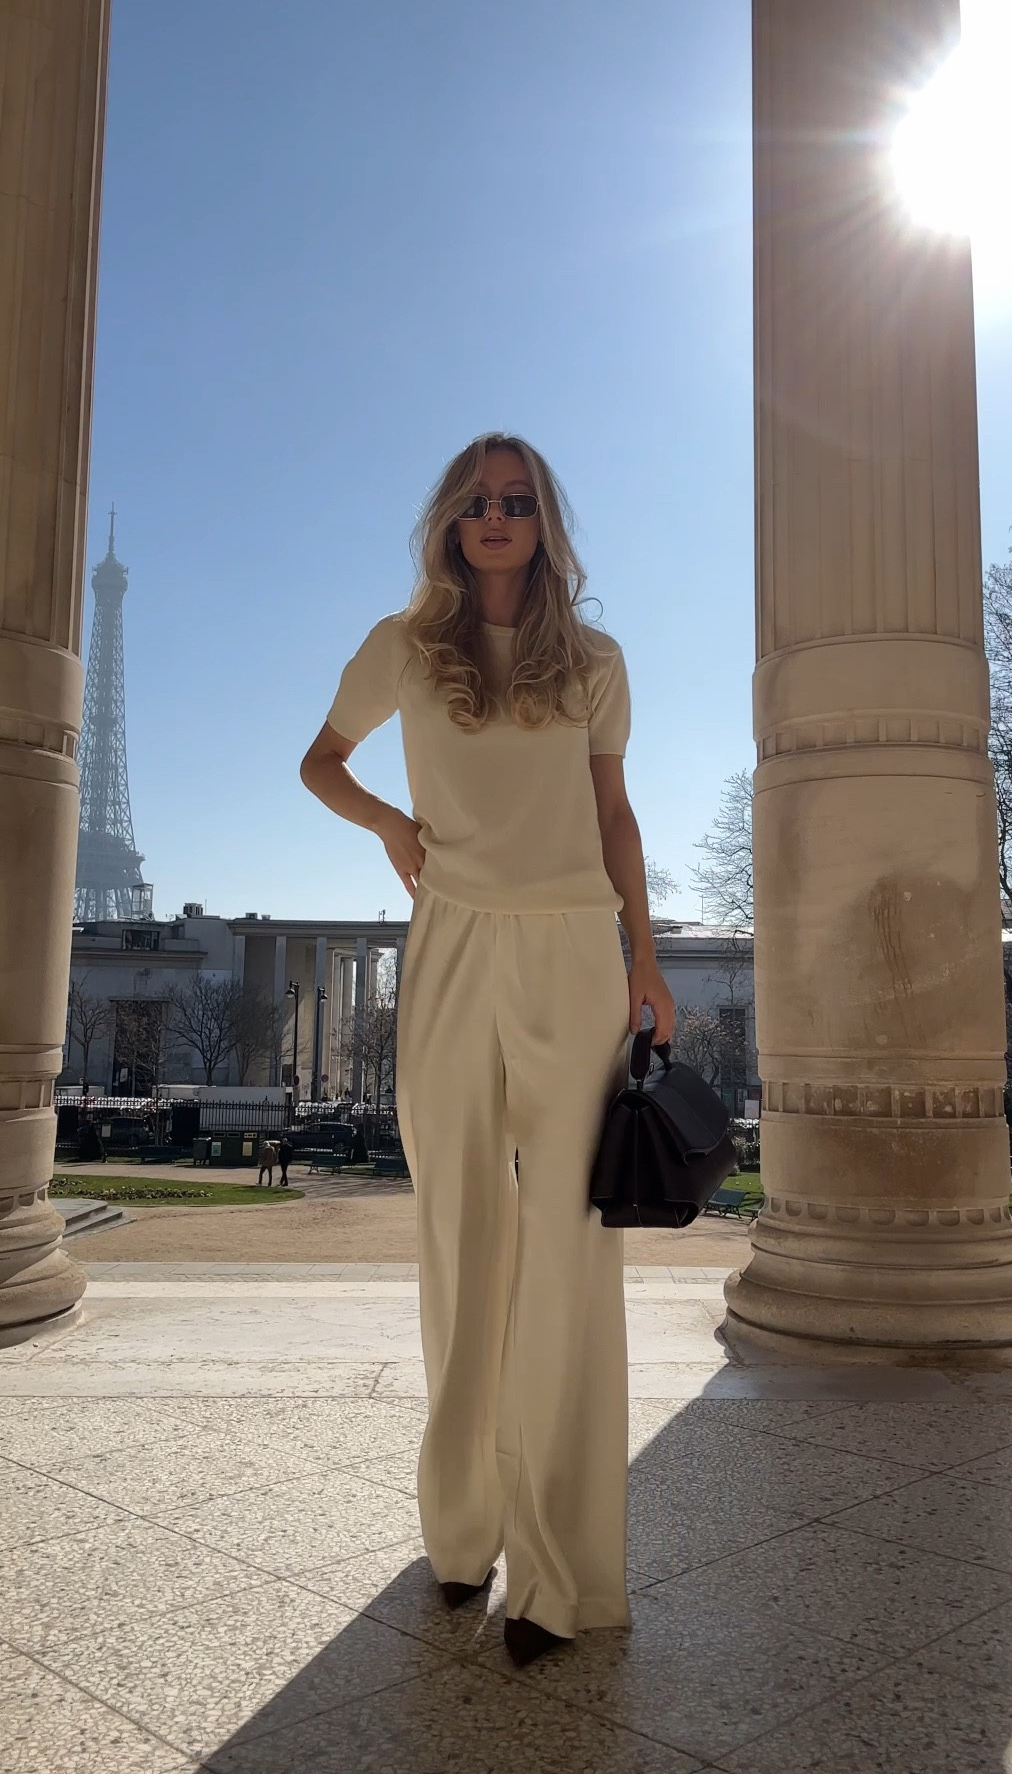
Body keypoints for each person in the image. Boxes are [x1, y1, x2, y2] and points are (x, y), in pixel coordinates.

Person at [300, 433, 674, 1670]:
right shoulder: (403, 646)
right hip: (452, 947)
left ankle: (559, 1579)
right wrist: (389, 825)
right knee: (459, 1236)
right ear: (452, 522)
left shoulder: (596, 661)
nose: (498, 516)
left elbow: (615, 814)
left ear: (544, 521)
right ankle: (461, 1533)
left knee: (568, 1252)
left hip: (573, 953)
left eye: (519, 501)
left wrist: (647, 961)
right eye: (478, 501)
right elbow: (319, 762)